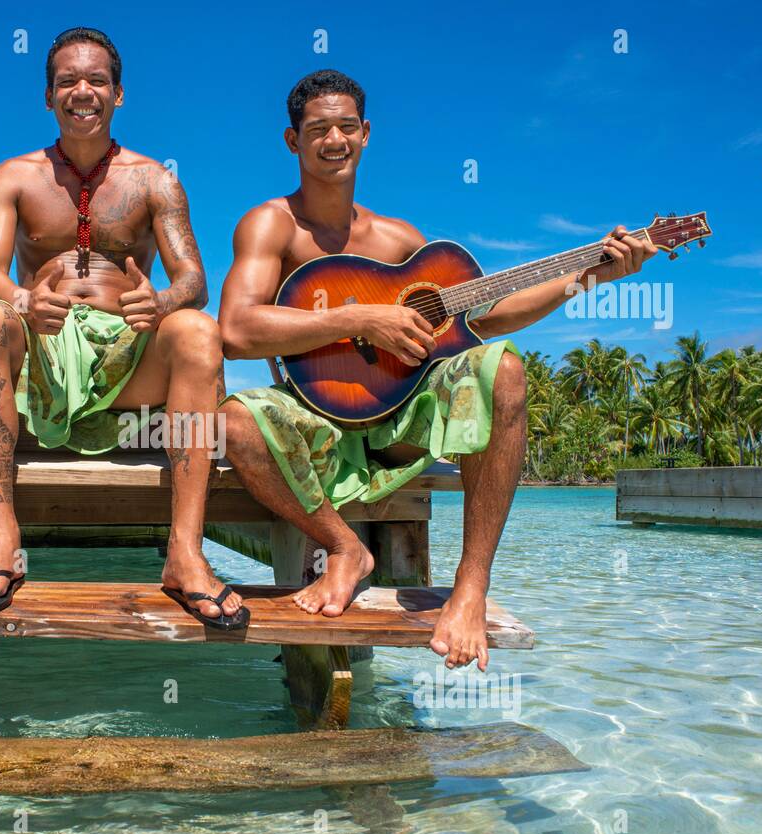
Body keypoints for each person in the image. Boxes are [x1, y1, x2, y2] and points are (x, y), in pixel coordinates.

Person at [218, 70, 656, 669]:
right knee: (237, 422)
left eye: (347, 126)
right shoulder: (271, 224)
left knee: (501, 370)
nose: (334, 139)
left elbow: (488, 317)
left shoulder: (401, 240)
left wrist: (592, 274)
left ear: (366, 134)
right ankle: (346, 550)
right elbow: (238, 331)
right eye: (318, 128)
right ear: (293, 141)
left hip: (399, 423)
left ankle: (470, 586)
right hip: (314, 419)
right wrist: (363, 321)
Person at [0, 27, 246, 628]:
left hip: (127, 356)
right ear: (47, 95)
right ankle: (3, 537)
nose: (82, 91)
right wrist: (22, 299)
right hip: (41, 351)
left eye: (96, 81)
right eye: (67, 81)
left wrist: (161, 303)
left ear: (119, 94)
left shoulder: (155, 180)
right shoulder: (12, 176)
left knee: (195, 330)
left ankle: (184, 553)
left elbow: (194, 278)